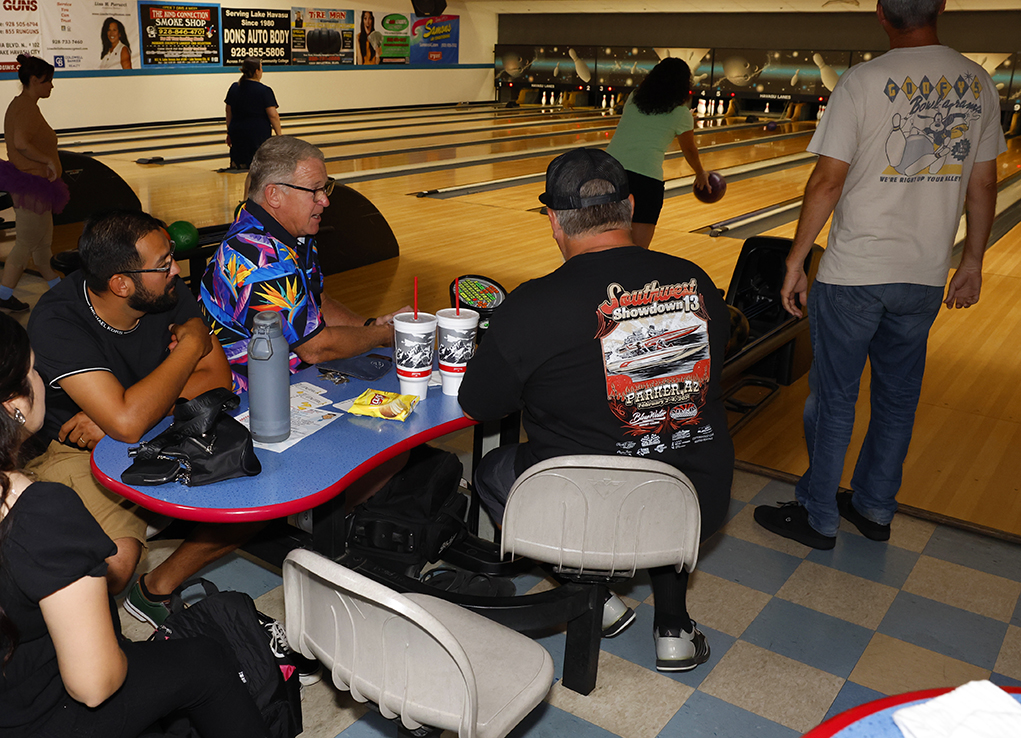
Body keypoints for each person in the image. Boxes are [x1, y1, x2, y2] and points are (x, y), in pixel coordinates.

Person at [458, 148, 734, 672]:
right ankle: (673, 629)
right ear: (630, 206)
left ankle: (595, 598)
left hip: (588, 509)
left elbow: (480, 403)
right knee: (665, 453)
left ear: (554, 220)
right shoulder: (696, 280)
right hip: (693, 501)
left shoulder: (532, 303)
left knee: (495, 470)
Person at [753, 0, 1006, 550]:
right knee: (898, 398)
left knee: (834, 397)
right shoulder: (978, 82)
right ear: (940, 7)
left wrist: (795, 259)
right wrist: (972, 262)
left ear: (880, 14)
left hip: (854, 276)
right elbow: (983, 185)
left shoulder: (862, 81)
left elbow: (826, 182)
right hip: (922, 276)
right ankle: (873, 508)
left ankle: (818, 514)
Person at [0, 314, 270, 737]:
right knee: (206, 661)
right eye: (33, 369)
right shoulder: (35, 511)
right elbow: (95, 686)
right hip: (34, 714)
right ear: (14, 404)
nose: (40, 377)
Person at [25, 209, 266, 628]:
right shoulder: (57, 320)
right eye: (162, 263)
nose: (175, 268)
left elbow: (216, 379)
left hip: (154, 427)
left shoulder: (163, 291)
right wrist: (190, 348)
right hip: (75, 449)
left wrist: (130, 411)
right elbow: (131, 419)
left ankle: (156, 588)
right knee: (117, 565)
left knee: (258, 496)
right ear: (121, 284)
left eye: (170, 255)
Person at [201, 136, 410, 394]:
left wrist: (371, 326)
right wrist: (385, 336)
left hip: (294, 380)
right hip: (252, 400)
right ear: (274, 195)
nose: (325, 200)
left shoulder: (293, 234)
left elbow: (316, 302)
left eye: (326, 188)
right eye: (315, 190)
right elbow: (316, 348)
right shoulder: (258, 256)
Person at [605, 57, 710, 249]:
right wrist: (700, 173)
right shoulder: (681, 114)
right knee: (637, 248)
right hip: (645, 180)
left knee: (603, 240)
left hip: (609, 171)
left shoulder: (634, 97)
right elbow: (689, 150)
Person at [0, 55, 68, 313]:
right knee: (26, 243)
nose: (51, 86)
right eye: (48, 81)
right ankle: (4, 295)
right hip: (31, 185)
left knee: (41, 244)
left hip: (35, 184)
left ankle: (58, 290)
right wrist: (48, 161)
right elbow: (20, 143)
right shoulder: (26, 107)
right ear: (34, 80)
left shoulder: (24, 104)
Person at [225, 58, 282, 170]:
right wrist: (279, 135)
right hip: (257, 135)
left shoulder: (234, 88)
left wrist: (229, 132)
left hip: (237, 132)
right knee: (258, 168)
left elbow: (228, 111)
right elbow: (273, 115)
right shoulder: (264, 90)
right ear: (257, 71)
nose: (262, 71)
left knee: (239, 166)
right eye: (261, 68)